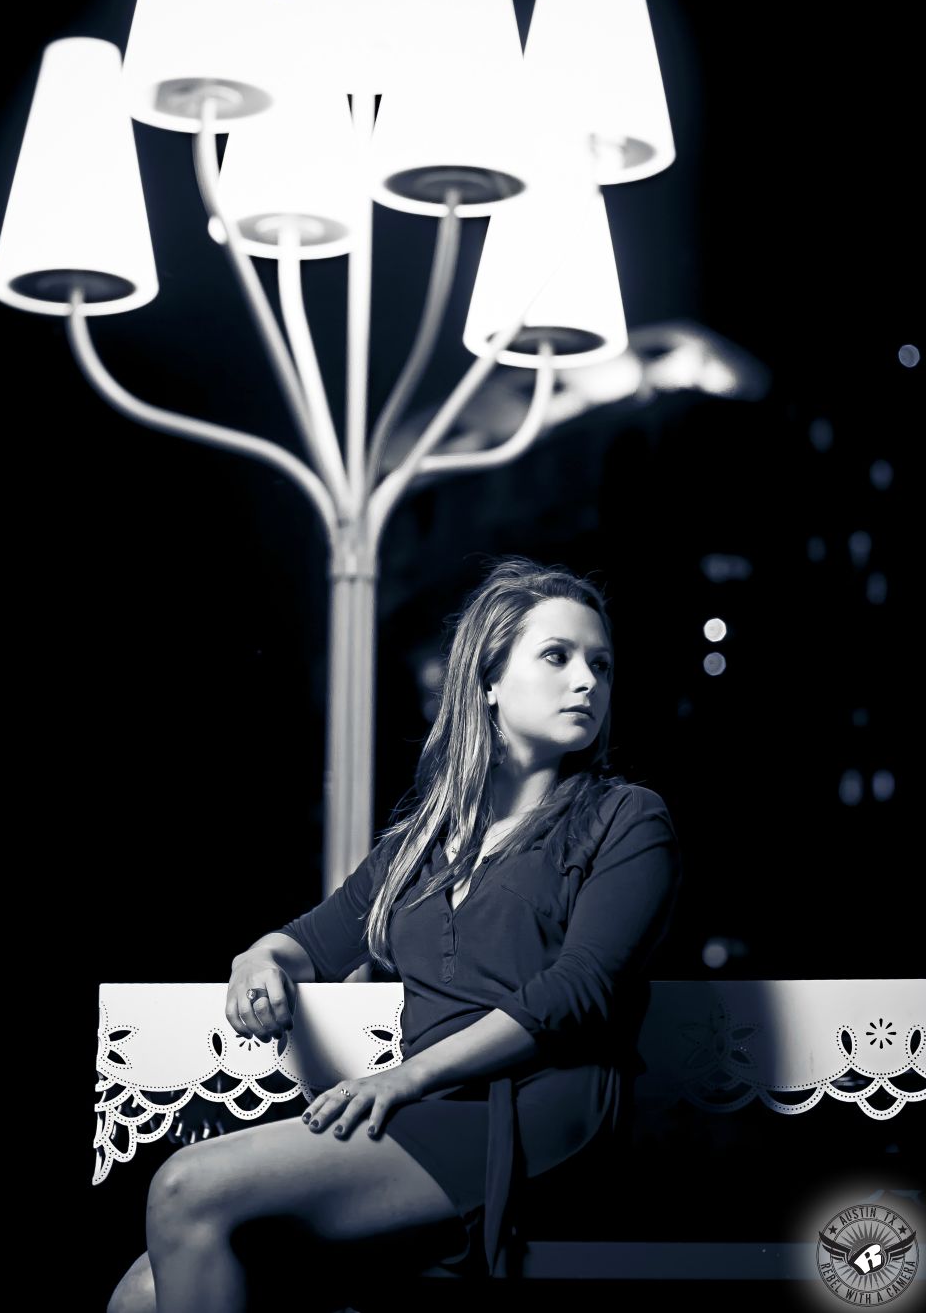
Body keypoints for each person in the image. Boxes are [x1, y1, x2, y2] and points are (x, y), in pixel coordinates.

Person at [107, 556, 681, 1312]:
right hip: (424, 1122)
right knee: (141, 1291)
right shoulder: (420, 845)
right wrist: (255, 961)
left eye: (600, 665)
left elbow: (576, 993)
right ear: (488, 681)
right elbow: (304, 942)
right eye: (558, 656)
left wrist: (401, 1079)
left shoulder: (628, 817)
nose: (588, 682)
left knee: (183, 1188)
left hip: (536, 1118)